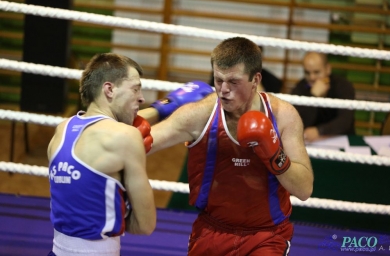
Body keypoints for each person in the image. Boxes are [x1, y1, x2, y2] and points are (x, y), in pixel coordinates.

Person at [144, 37, 314, 255]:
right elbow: (141, 143)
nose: (223, 90)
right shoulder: (200, 114)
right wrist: (158, 109)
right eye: (218, 80)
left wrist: (274, 155)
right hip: (211, 232)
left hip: (267, 236)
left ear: (256, 79)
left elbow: (304, 190)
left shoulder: (283, 116)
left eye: (233, 82)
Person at [47, 53, 157, 256]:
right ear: (109, 89)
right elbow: (145, 225)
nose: (141, 98)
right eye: (135, 89)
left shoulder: (62, 130)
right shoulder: (126, 137)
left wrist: (164, 108)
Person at [291, 51, 355, 143]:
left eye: (316, 72)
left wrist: (319, 131)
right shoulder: (300, 88)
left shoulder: (343, 86)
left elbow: (345, 121)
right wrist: (313, 97)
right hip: (311, 144)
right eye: (307, 73)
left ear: (328, 69)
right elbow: (299, 123)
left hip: (341, 141)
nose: (312, 77)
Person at [209, 46, 283, 93]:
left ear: (262, 59)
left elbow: (272, 108)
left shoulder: (274, 82)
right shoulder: (222, 74)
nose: (251, 63)